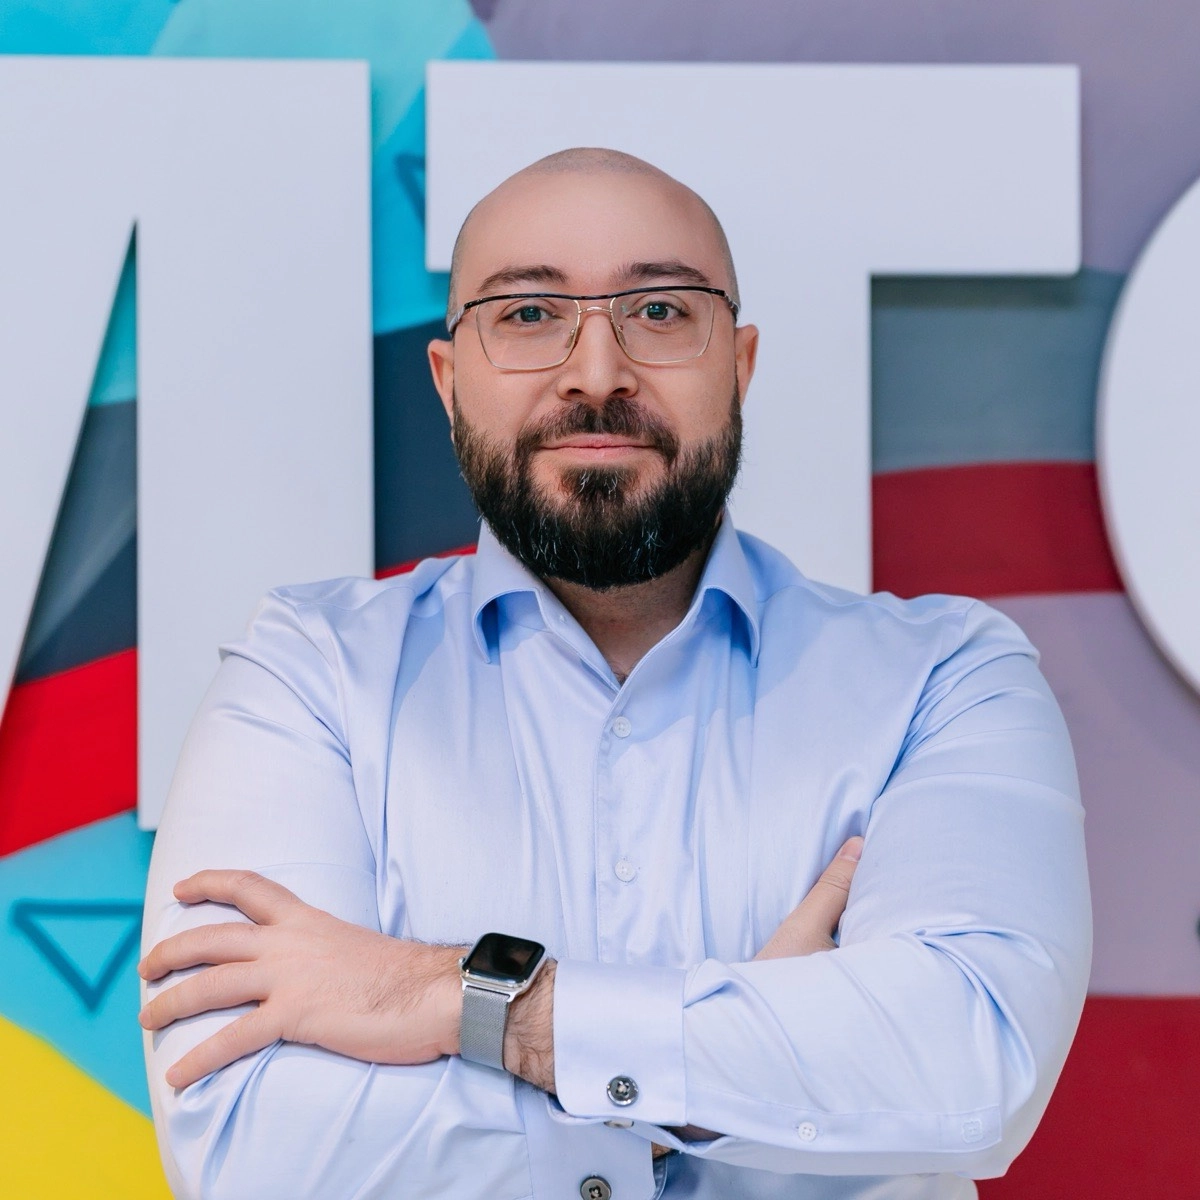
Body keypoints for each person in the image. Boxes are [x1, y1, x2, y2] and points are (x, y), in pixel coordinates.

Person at [139, 148, 1091, 1200]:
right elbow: (249, 1150)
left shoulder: (942, 680)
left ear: (741, 366)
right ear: (450, 384)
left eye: (661, 311)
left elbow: (974, 1061)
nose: (596, 374)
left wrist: (463, 1000)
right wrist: (720, 1085)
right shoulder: (309, 676)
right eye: (528, 314)